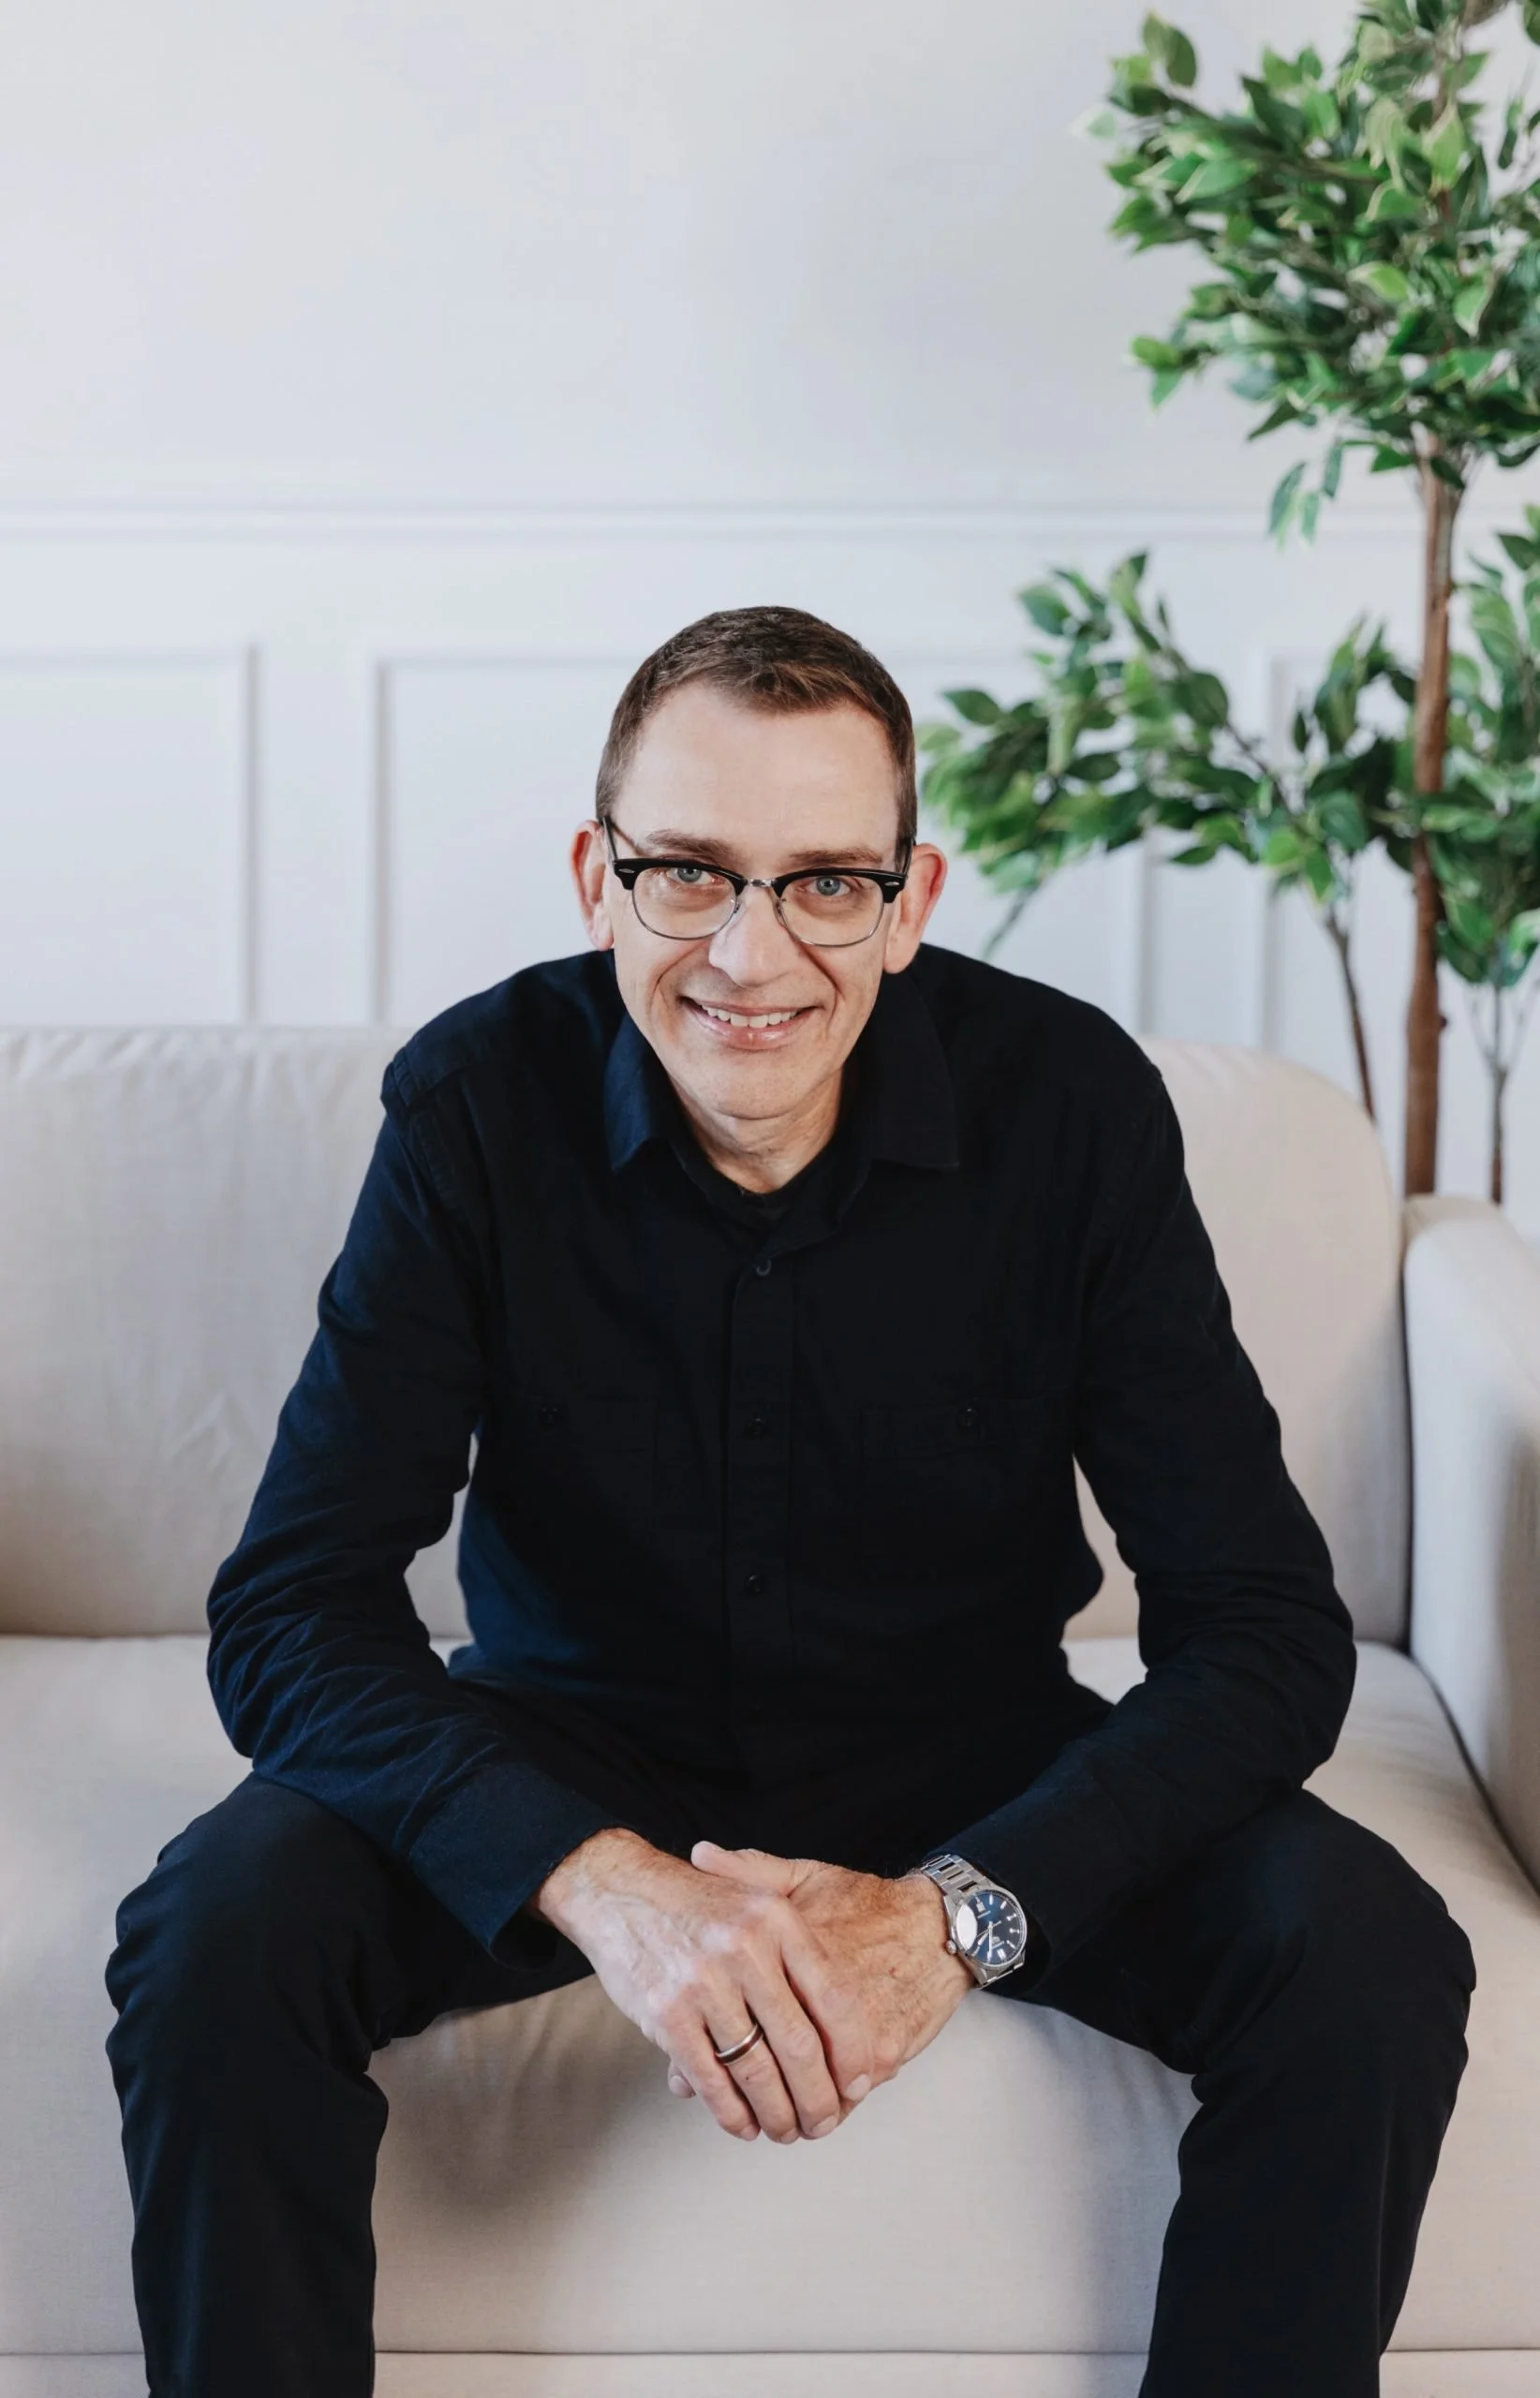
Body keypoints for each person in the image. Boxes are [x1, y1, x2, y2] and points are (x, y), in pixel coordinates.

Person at [105, 604, 1474, 2398]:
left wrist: (958, 1913)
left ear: (910, 902)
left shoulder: (1072, 1110)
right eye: (692, 873)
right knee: (215, 1934)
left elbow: (1269, 1636)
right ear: (600, 878)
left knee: (1365, 1951)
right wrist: (608, 1888)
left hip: (973, 1753)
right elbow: (291, 1610)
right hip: (572, 1740)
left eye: (827, 882)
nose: (753, 951)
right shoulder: (470, 1107)